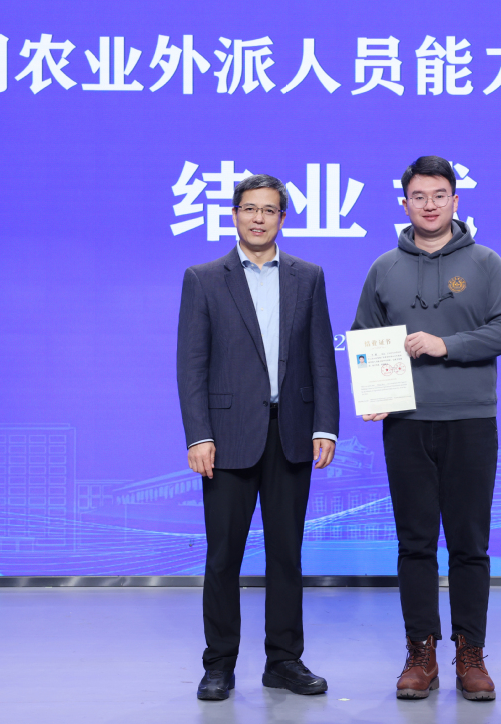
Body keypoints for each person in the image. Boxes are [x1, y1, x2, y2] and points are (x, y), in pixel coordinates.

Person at [352, 156, 501, 701]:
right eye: (419, 196)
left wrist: (445, 345)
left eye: (439, 195)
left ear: (455, 201)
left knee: (470, 545)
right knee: (415, 544)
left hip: (471, 420)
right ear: (404, 204)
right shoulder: (384, 268)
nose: (429, 205)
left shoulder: (485, 262)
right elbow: (364, 337)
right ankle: (420, 654)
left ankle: (471, 655)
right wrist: (373, 393)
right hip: (406, 424)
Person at [177, 174, 340, 700]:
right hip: (226, 438)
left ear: (282, 218)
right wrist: (198, 435)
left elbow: (321, 357)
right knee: (223, 555)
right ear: (234, 215)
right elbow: (191, 366)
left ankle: (283, 660)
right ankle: (219, 663)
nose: (258, 218)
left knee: (286, 554)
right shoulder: (204, 278)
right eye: (249, 208)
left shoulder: (307, 277)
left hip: (291, 432)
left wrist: (325, 424)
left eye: (269, 210)